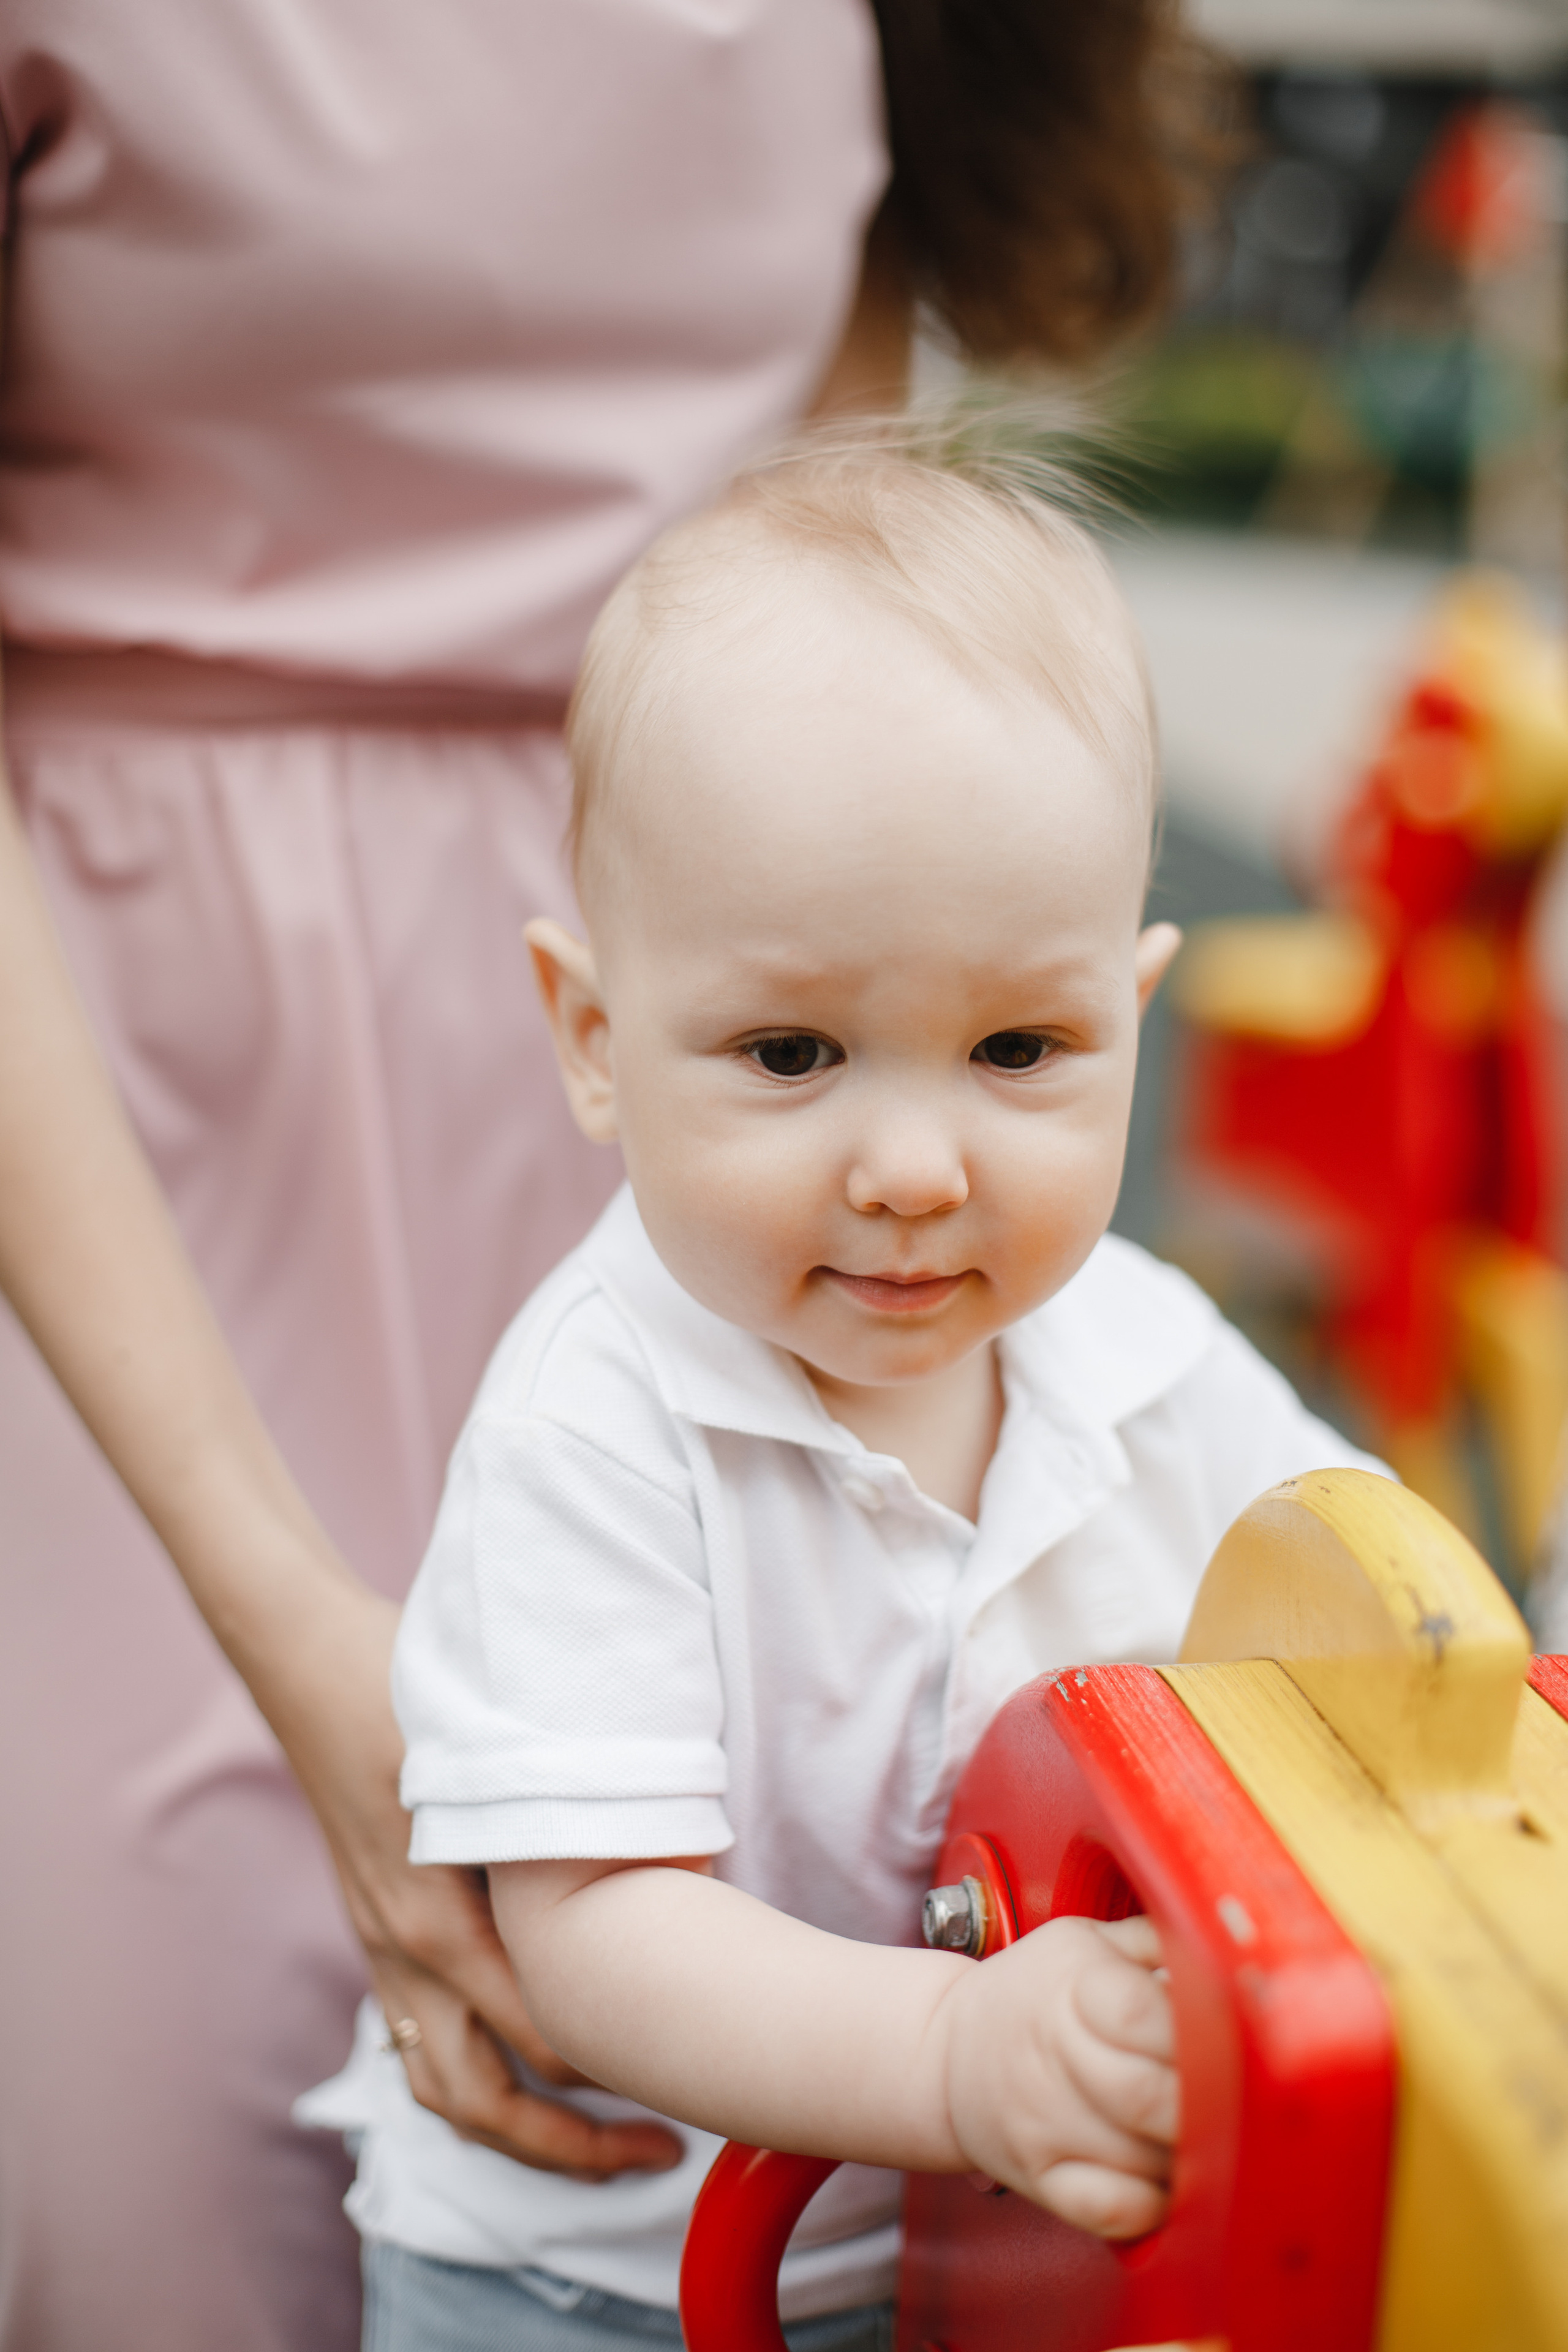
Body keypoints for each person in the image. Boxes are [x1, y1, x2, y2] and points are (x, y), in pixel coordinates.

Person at [0, 8, 1218, 2349]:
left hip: (731, 994)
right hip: (114, 1081)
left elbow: (839, 571)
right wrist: (278, 1600)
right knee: (162, 2176)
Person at [312, 442, 1384, 2351]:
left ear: (1136, 1016)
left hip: (999, 2249)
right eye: (793, 1053)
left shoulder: (1146, 1353)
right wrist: (960, 2053)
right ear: (596, 1039)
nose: (912, 1167)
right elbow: (597, 1935)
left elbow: (1376, 1614)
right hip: (590, 2280)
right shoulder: (599, 1420)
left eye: (1019, 1048)